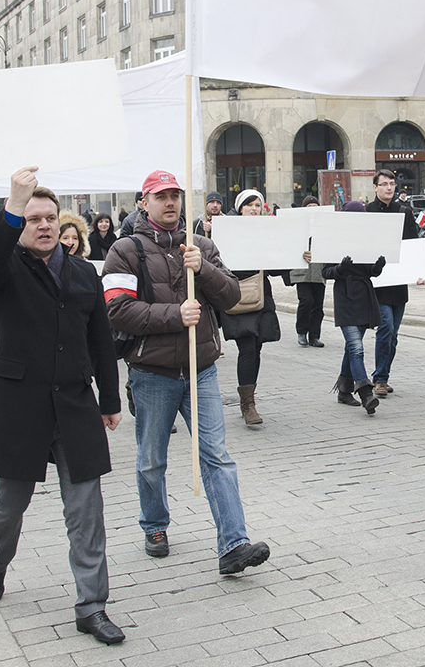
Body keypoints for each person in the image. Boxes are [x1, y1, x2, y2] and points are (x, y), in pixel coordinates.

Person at [0, 167, 125, 645]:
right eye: (33, 218)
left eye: (50, 218)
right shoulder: (3, 270)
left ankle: (92, 606)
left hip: (75, 404)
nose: (44, 225)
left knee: (86, 512)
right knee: (8, 505)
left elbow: (100, 340)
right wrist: (12, 205)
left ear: (61, 221)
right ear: (20, 223)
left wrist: (110, 399)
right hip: (20, 407)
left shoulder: (82, 272)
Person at [102, 169, 271, 575]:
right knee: (151, 459)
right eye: (161, 196)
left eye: (175, 195)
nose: (170, 202)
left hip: (201, 370)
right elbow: (117, 310)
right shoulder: (125, 250)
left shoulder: (202, 246)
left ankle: (234, 544)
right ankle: (155, 524)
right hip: (152, 373)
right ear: (144, 202)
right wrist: (175, 315)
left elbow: (231, 296)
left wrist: (203, 269)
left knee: (217, 456)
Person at [219, 189, 281, 426]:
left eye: (257, 205)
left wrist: (296, 257)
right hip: (237, 294)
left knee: (256, 348)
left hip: (260, 295)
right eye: (249, 205)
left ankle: (249, 397)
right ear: (240, 208)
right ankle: (248, 405)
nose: (254, 209)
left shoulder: (266, 231)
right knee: (246, 348)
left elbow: (274, 268)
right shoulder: (228, 230)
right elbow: (220, 264)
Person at [322, 201, 384, 413]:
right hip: (345, 297)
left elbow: (370, 270)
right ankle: (366, 393)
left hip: (365, 297)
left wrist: (377, 268)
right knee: (356, 347)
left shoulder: (367, 239)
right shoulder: (333, 240)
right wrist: (340, 269)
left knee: (351, 347)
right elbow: (326, 271)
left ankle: (343, 391)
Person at [367, 169, 424, 398]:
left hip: (399, 282)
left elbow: (412, 244)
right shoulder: (367, 212)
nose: (389, 188)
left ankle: (383, 375)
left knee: (393, 335)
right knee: (386, 327)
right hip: (377, 281)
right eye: (384, 184)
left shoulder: (404, 212)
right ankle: (380, 379)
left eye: (392, 183)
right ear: (375, 187)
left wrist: (419, 272)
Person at [290, 195, 327, 347]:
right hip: (302, 272)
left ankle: (314, 336)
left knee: (318, 306)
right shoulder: (297, 226)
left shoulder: (323, 226)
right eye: (309, 207)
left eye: (315, 206)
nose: (312, 209)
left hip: (319, 273)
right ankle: (301, 331)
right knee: (306, 301)